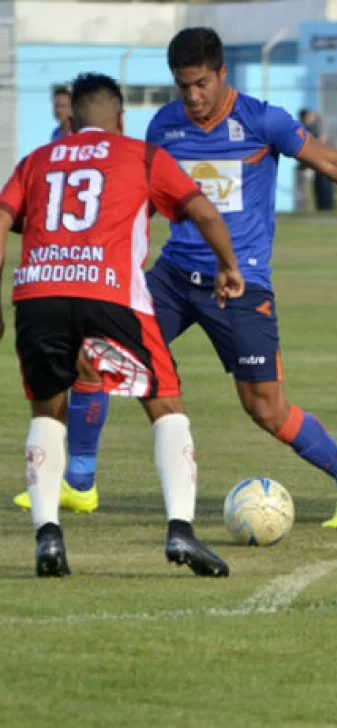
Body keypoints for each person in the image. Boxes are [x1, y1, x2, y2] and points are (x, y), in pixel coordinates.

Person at [13, 28, 337, 527]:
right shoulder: (164, 126)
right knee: (92, 353)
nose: (193, 97)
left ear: (222, 74)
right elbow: (144, 197)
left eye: (201, 83)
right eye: (182, 86)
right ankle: (80, 484)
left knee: (265, 408)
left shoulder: (262, 120)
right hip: (174, 277)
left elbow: (328, 162)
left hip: (240, 282)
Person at [0, 73, 245, 577]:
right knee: (166, 404)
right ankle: (181, 530)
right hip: (110, 293)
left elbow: (3, 220)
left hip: (39, 293)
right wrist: (229, 266)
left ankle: (48, 538)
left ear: (71, 118)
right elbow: (205, 213)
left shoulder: (35, 161)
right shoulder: (141, 155)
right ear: (120, 118)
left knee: (48, 412)